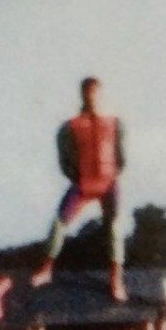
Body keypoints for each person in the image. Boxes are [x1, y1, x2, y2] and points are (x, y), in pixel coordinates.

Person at [30, 76, 128, 302]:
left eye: (96, 93)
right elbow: (63, 159)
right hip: (83, 184)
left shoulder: (114, 123)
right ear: (83, 95)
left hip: (108, 182)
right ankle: (46, 270)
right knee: (58, 223)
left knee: (114, 228)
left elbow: (122, 156)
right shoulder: (70, 126)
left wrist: (111, 174)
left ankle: (116, 281)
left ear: (101, 95)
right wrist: (77, 177)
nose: (93, 98)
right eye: (88, 93)